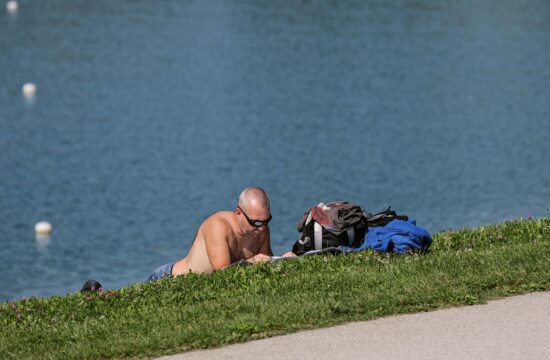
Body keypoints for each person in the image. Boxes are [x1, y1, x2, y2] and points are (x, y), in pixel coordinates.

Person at [147, 187, 280, 281]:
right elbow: (222, 276)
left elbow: (265, 266)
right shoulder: (218, 226)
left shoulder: (261, 228)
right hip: (168, 279)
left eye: (266, 221)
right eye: (255, 222)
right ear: (238, 213)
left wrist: (284, 260)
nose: (261, 228)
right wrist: (252, 261)